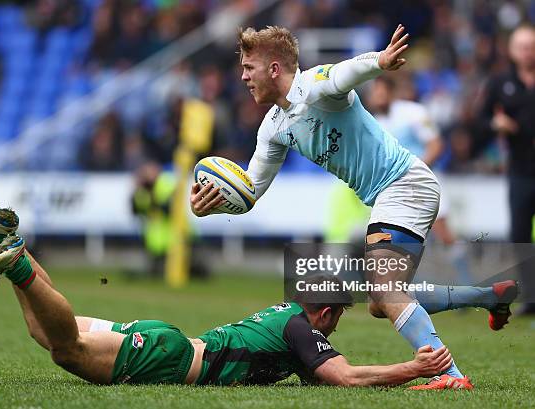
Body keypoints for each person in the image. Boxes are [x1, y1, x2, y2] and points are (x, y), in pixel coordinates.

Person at [189, 25, 519, 389]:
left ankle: (451, 375)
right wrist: (213, 206)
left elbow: (346, 71)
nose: (243, 76)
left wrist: (380, 60)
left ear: (274, 68)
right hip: (389, 194)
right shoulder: (272, 127)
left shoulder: (313, 85)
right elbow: (251, 190)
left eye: (249, 67)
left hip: (405, 183)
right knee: (381, 300)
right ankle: (490, 297)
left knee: (387, 290)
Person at [0, 193, 456, 387]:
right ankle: (14, 262)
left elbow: (319, 375)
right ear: (321, 308)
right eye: (337, 315)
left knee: (53, 337)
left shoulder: (288, 319)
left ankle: (8, 243)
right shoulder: (303, 329)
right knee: (65, 350)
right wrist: (410, 369)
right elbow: (343, 376)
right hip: (171, 358)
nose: (336, 325)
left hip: (170, 343)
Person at [367, 76, 474, 287]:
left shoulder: (413, 113)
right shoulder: (373, 121)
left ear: (391, 92)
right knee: (394, 236)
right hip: (394, 189)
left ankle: (466, 280)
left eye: (381, 92)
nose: (377, 96)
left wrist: (413, 171)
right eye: (374, 92)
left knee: (443, 232)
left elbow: (436, 145)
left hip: (423, 181)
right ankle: (399, 287)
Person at [478, 24, 535, 315]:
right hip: (521, 170)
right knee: (520, 236)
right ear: (512, 51)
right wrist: (495, 124)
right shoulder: (500, 82)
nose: (528, 51)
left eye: (531, 45)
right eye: (522, 46)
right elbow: (480, 119)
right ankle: (531, 298)